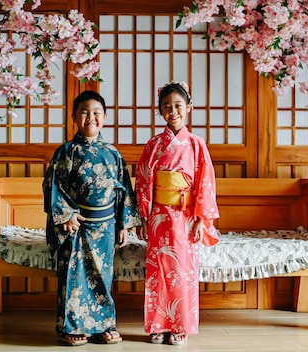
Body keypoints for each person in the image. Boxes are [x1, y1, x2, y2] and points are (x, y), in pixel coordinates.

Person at [43, 90, 142, 346]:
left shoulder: (113, 153)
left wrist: (123, 224)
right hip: (75, 225)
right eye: (84, 112)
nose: (91, 117)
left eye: (96, 112)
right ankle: (73, 326)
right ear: (75, 116)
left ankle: (103, 325)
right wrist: (66, 215)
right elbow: (53, 186)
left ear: (105, 117)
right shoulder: (66, 152)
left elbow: (124, 190)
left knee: (102, 276)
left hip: (106, 226)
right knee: (74, 277)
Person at [135, 81, 220, 346]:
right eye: (167, 107)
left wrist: (201, 218)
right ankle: (158, 325)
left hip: (185, 216)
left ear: (189, 108)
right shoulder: (153, 145)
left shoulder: (196, 144)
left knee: (182, 271)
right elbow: (142, 179)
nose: (173, 111)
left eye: (178, 106)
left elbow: (205, 182)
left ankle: (180, 325)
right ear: (160, 111)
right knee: (159, 272)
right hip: (160, 215)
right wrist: (143, 215)